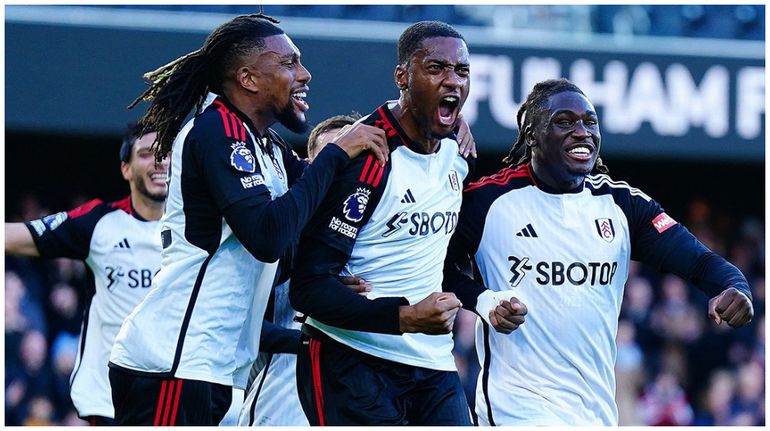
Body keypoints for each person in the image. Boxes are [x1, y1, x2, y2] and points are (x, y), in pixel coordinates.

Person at [107, 14, 389, 426]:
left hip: (210, 368)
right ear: (249, 79)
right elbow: (268, 236)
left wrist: (429, 126)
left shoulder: (268, 145)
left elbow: (313, 207)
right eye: (289, 63)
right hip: (172, 363)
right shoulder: (216, 130)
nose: (305, 74)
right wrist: (335, 152)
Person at [442, 78, 754, 426]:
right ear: (531, 135)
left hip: (596, 413)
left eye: (590, 122)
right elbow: (439, 270)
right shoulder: (487, 201)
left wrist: (735, 286)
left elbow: (699, 261)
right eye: (565, 122)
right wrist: (483, 300)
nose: (582, 132)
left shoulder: (623, 205)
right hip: (515, 408)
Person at [289, 21, 506, 426]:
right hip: (352, 357)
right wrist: (404, 317)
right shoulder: (366, 158)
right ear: (402, 77)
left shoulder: (459, 154)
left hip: (432, 361)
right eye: (436, 68)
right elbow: (307, 289)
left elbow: (444, 257)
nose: (452, 81)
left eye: (461, 71)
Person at [4, 123, 168, 425]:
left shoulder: (200, 230)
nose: (160, 161)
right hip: (109, 401)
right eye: (146, 154)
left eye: (167, 153)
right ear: (126, 169)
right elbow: (12, 237)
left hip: (176, 397)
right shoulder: (98, 223)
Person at [237, 114, 361, 426]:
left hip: (362, 396)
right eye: (331, 158)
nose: (340, 168)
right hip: (283, 400)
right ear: (309, 166)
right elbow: (241, 325)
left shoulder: (382, 237)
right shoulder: (281, 235)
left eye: (353, 158)